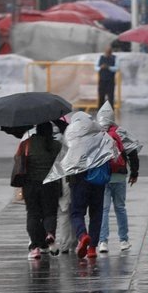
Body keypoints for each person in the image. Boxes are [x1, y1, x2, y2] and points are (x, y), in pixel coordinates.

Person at [50, 111, 117, 260]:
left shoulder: (72, 138)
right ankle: (92, 248)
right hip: (98, 182)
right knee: (96, 214)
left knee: (77, 212)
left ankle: (82, 235)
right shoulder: (99, 135)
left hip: (79, 181)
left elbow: (65, 160)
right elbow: (114, 153)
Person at [95, 101, 142, 255]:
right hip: (119, 177)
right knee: (120, 208)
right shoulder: (120, 132)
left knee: (104, 210)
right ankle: (124, 240)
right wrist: (134, 173)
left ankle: (103, 241)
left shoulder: (95, 133)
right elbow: (133, 153)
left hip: (102, 178)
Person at [20, 122, 64, 260]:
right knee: (50, 213)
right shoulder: (56, 145)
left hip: (31, 185)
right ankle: (50, 234)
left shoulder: (27, 144)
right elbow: (62, 165)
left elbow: (20, 163)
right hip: (51, 184)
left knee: (33, 214)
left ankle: (35, 248)